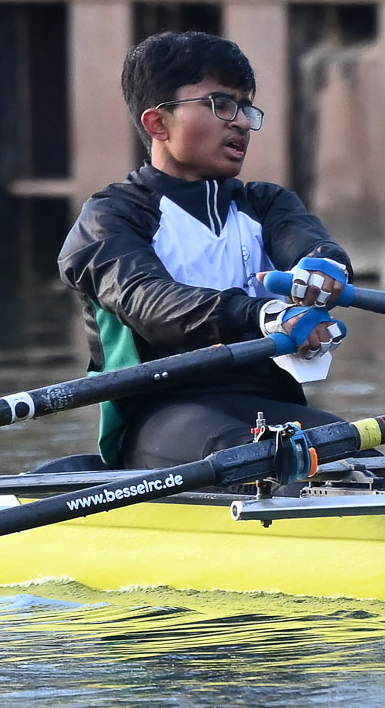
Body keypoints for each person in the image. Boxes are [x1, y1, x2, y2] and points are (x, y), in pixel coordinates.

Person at [59, 30, 352, 469]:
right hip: (159, 414)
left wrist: (324, 270)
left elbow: (309, 244)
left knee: (357, 451)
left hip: (266, 404)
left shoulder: (266, 204)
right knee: (252, 455)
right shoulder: (111, 218)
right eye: (220, 105)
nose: (239, 121)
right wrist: (261, 315)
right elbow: (151, 303)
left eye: (245, 107)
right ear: (158, 123)